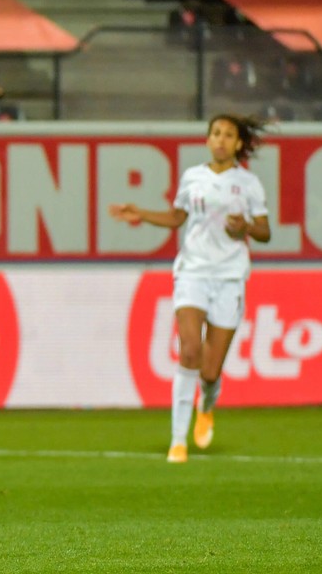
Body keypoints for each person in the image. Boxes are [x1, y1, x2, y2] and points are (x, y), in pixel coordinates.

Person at [107, 114, 272, 463]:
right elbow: (177, 217)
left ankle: (207, 404)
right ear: (208, 139)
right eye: (216, 133)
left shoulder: (249, 184)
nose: (221, 140)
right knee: (189, 352)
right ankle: (178, 440)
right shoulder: (192, 178)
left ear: (239, 143)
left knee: (210, 372)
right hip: (192, 272)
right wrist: (141, 213)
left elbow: (264, 231)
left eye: (228, 135)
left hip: (229, 276)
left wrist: (244, 227)